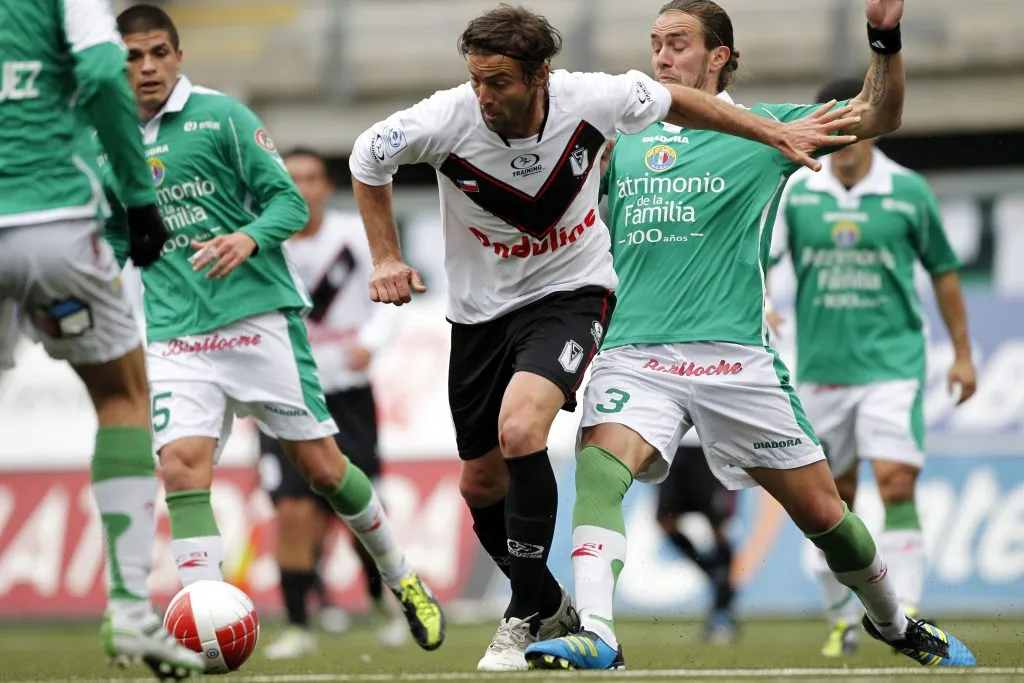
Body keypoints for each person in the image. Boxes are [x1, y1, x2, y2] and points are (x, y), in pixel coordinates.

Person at [349, 2, 851, 671]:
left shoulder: (596, 98)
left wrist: (767, 131)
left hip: (571, 294)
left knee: (523, 430)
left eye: (497, 81)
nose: (483, 94)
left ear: (540, 76)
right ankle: (547, 598)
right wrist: (385, 255)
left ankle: (525, 611)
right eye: (475, 79)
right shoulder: (446, 117)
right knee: (479, 483)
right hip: (478, 314)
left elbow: (681, 100)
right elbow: (367, 157)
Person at [525, 0, 976, 670]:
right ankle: (600, 632)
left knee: (827, 515)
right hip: (636, 352)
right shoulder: (621, 135)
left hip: (735, 359)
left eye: (678, 42)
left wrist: (884, 37)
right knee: (597, 469)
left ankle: (892, 620)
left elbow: (878, 115)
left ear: (721, 57)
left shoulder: (770, 130)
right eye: (655, 43)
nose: (662, 56)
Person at [103, 4, 445, 652]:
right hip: (176, 332)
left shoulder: (221, 117)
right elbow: (121, 234)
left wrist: (247, 239)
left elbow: (289, 201)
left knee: (322, 468)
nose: (146, 67)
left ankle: (401, 574)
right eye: (132, 56)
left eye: (157, 53)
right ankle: (202, 632)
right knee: (181, 467)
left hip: (256, 321)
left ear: (178, 57)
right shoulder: (111, 139)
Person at [0, 1, 205, 678]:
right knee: (122, 393)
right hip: (48, 220)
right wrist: (139, 200)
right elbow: (99, 71)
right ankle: (128, 607)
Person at [768, 77, 977, 658]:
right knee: (831, 501)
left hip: (893, 364)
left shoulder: (908, 191)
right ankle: (842, 618)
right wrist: (758, 295)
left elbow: (943, 271)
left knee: (896, 481)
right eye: (831, 120)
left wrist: (962, 353)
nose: (844, 132)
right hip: (822, 369)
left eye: (853, 119)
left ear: (867, 122)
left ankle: (904, 616)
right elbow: (753, 249)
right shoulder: (797, 191)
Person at [259, 148, 407, 658]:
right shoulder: (262, 238)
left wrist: (372, 339)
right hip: (285, 394)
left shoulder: (353, 234)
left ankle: (380, 600)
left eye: (310, 178)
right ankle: (299, 624)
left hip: (347, 393)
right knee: (293, 513)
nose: (301, 187)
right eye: (291, 178)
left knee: (360, 504)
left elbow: (394, 287)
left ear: (326, 186)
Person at [656, 432, 738, 644]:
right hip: (672, 444)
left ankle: (722, 612)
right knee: (665, 521)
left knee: (719, 526)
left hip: (711, 444)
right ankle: (719, 583)